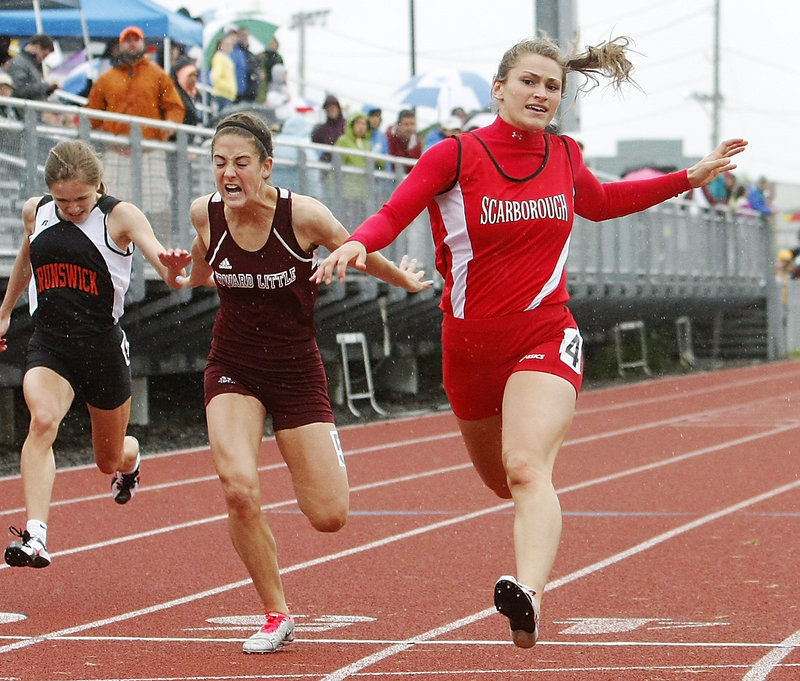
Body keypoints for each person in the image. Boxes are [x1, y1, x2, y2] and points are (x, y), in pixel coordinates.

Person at [311, 35, 747, 648]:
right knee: (501, 480)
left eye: (552, 87)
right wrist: (358, 241)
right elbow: (394, 212)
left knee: (525, 467)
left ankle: (530, 597)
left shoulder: (566, 155)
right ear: (500, 88)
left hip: (545, 332)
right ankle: (529, 556)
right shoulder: (453, 155)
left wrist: (687, 177)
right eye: (530, 82)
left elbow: (602, 202)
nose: (541, 94)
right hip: (467, 347)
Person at [157, 111, 431, 654]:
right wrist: (178, 273)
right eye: (219, 164)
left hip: (296, 369)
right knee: (238, 489)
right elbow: (201, 269)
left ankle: (317, 454)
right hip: (233, 364)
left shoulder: (302, 216)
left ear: (266, 167)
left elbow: (357, 250)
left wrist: (404, 279)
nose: (228, 174)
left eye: (240, 164)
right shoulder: (205, 213)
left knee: (330, 517)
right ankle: (275, 612)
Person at [0, 139, 188, 569]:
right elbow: (27, 256)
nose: (72, 208)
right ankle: (36, 536)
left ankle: (131, 457)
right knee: (43, 421)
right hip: (51, 344)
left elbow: (161, 262)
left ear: (98, 185)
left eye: (81, 198)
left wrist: (172, 269)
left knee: (107, 459)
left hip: (102, 350)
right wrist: (5, 312)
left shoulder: (118, 216)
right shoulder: (37, 211)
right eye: (63, 200)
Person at [86, 25, 185, 247]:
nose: (132, 43)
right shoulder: (106, 79)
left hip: (150, 149)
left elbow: (175, 107)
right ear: (119, 46)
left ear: (143, 44)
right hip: (117, 152)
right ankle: (113, 248)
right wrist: (102, 132)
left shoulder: (158, 75)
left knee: (159, 201)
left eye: (136, 39)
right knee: (113, 203)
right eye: (127, 40)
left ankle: (163, 248)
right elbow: (92, 111)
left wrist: (171, 123)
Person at [5, 33, 58, 102]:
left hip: (31, 108)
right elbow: (20, 90)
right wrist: (46, 86)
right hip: (25, 109)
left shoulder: (29, 63)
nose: (43, 59)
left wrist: (49, 89)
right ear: (37, 46)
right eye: (44, 55)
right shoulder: (19, 63)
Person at [209, 30, 238, 115]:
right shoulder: (219, 57)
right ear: (221, 45)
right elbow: (215, 77)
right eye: (227, 44)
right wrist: (228, 88)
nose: (229, 47)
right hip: (222, 95)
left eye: (230, 45)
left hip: (227, 95)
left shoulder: (227, 58)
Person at [311, 94, 346, 162]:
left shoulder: (347, 126)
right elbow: (314, 148)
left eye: (333, 107)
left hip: (344, 164)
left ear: (338, 108)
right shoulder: (320, 130)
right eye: (328, 108)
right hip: (327, 165)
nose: (331, 110)